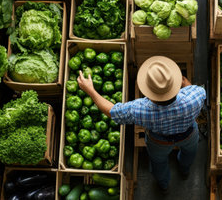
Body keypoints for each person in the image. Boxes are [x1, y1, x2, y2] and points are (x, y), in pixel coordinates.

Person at [77, 56, 206, 194]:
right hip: (189, 134)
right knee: (189, 152)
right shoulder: (195, 96)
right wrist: (185, 84)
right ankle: (185, 169)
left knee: (158, 162)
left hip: (159, 141)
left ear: (149, 93)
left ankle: (163, 183)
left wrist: (90, 90)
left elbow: (111, 111)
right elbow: (192, 88)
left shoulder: (140, 109)